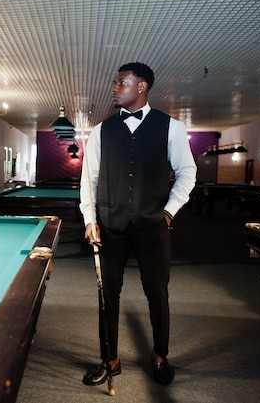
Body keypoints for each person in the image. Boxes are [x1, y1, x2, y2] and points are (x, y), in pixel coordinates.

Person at [79, 62, 197, 386]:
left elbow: (188, 173)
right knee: (107, 295)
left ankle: (160, 356)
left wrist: (170, 211)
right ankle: (109, 359)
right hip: (110, 227)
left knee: (157, 293)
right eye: (115, 83)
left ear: (141, 86)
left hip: (153, 227)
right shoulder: (101, 131)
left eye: (121, 83)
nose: (114, 88)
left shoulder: (171, 127)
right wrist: (90, 219)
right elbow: (88, 179)